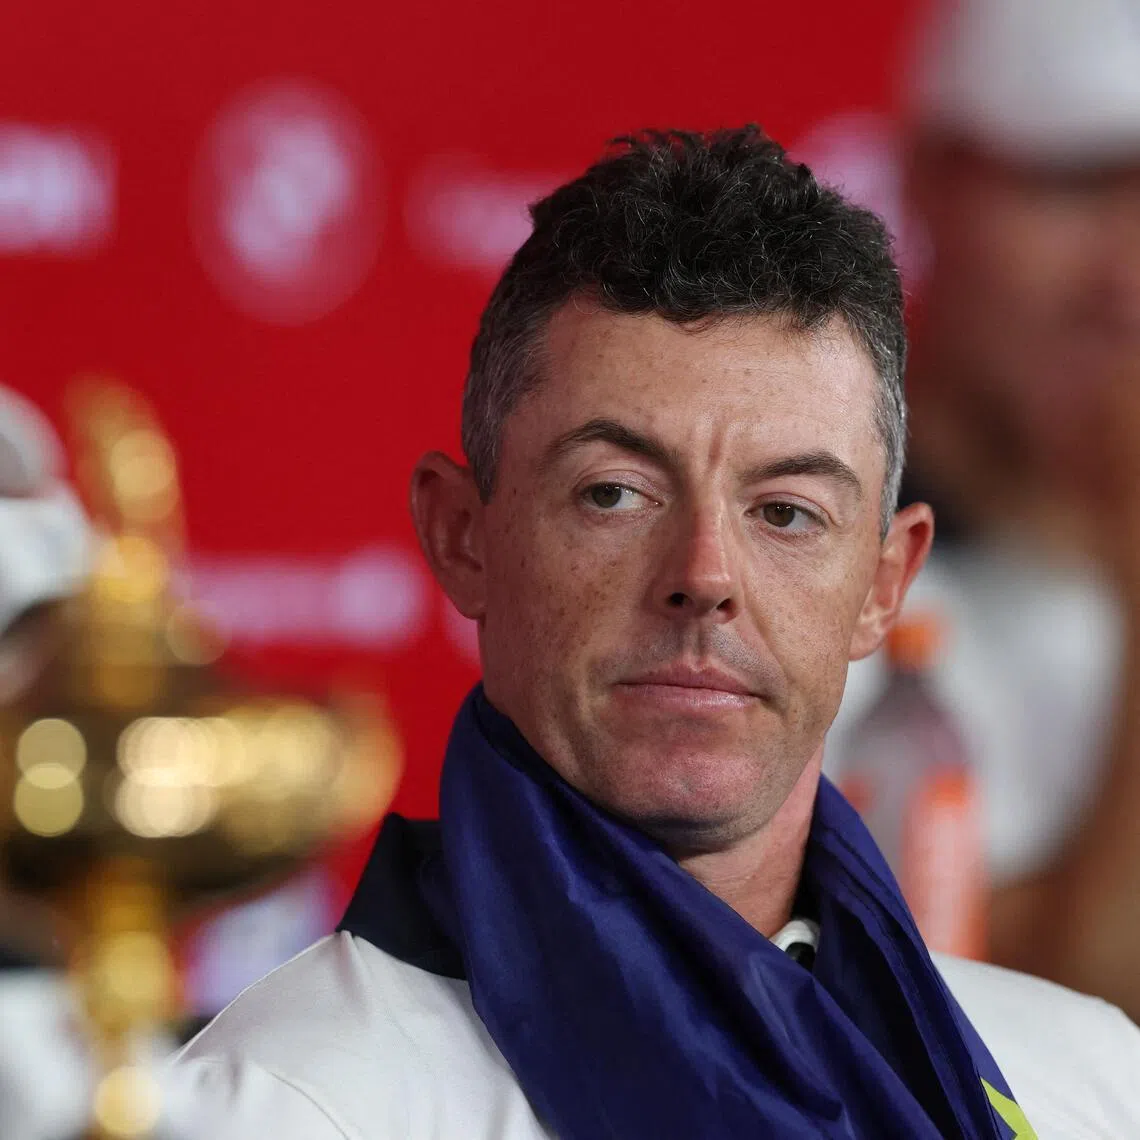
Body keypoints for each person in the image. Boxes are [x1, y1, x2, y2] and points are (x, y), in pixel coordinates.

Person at [172, 128, 1140, 1139]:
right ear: (463, 538)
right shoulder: (287, 1108)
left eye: (786, 512)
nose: (704, 576)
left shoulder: (1094, 1084)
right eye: (615, 494)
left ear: (885, 583)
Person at [827, 0, 1140, 1018]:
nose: (1126, 278)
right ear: (926, 179)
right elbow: (1013, 1058)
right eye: (1072, 188)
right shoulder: (796, 557)